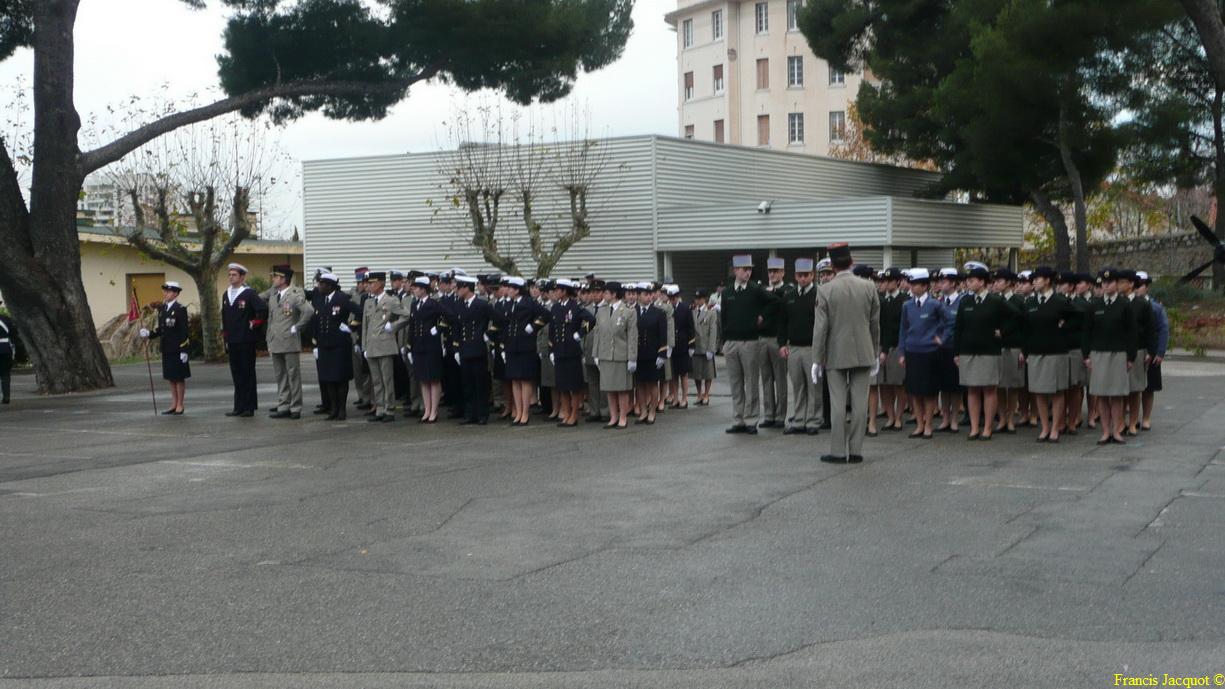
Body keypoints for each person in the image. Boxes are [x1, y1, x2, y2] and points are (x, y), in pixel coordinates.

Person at [811, 244, 880, 464]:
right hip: (863, 351)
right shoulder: (869, 287)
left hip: (836, 352)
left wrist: (817, 358)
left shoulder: (825, 290)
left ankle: (838, 451)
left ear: (831, 265)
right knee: (860, 404)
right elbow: (874, 324)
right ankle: (856, 450)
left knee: (838, 404)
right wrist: (875, 352)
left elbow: (821, 329)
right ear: (852, 262)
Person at [953, 263, 1017, 440]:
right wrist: (956, 352)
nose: (968, 283)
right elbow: (958, 328)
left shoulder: (996, 300)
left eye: (972, 280)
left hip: (989, 351)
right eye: (968, 280)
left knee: (989, 389)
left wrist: (1002, 332)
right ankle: (974, 427)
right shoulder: (965, 301)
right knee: (972, 390)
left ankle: (988, 427)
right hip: (968, 351)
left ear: (981, 282)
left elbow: (1016, 317)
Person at [1020, 266, 1078, 443]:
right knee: (1039, 391)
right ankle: (1044, 427)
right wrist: (1025, 351)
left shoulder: (1060, 301)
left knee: (1056, 390)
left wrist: (1063, 326)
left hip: (1055, 352)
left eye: (1037, 279)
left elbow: (1077, 317)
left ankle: (1055, 428)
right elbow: (1025, 329)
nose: (1034, 282)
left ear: (1047, 280)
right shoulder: (1030, 303)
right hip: (1036, 351)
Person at [721, 254, 778, 434]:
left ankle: (751, 419)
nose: (748, 272)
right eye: (745, 269)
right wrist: (724, 341)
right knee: (735, 383)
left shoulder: (755, 289)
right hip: (732, 341)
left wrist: (762, 316)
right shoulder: (728, 292)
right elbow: (724, 318)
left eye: (750, 269)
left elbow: (774, 302)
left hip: (750, 341)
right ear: (736, 270)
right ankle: (738, 418)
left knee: (751, 382)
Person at [1082, 268, 1137, 445]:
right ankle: (1105, 431)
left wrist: (1131, 356)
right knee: (1102, 394)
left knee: (1117, 394)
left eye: (1110, 282)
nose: (1106, 285)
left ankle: (1117, 429)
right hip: (1098, 353)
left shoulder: (1124, 305)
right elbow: (1087, 332)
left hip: (1118, 353)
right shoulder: (1094, 305)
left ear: (1116, 284)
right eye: (1103, 283)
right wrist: (1086, 355)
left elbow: (1131, 332)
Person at [898, 269, 950, 439]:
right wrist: (902, 352)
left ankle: (928, 424)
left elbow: (949, 321)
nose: (912, 287)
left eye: (915, 284)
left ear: (925, 286)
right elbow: (903, 330)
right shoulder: (907, 305)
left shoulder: (935, 304)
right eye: (911, 284)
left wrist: (942, 338)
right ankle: (919, 424)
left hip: (930, 352)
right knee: (914, 390)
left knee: (928, 391)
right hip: (912, 351)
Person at [262, 265, 314, 420]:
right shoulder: (273, 294)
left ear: (283, 279)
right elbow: (269, 314)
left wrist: (297, 327)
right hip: (275, 340)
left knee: (293, 375)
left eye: (275, 277)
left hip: (289, 340)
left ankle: (295, 407)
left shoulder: (294, 294)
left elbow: (308, 310)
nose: (273, 279)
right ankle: (284, 404)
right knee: (280, 375)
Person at [779, 258, 822, 436]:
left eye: (806, 275)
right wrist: (782, 343)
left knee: (814, 386)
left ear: (812, 275)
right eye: (800, 275)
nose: (803, 278)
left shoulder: (819, 295)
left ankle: (813, 420)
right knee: (797, 385)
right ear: (795, 276)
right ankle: (798, 419)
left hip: (812, 347)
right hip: (794, 347)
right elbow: (782, 322)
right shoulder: (789, 297)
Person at [309, 272, 360, 420]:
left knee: (340, 378)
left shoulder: (341, 298)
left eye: (321, 284)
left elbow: (359, 311)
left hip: (339, 344)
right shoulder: (321, 300)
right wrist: (316, 343)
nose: (319, 286)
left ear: (329, 285)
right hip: (324, 344)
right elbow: (317, 322)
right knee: (328, 378)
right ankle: (333, 409)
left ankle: (342, 410)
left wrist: (351, 327)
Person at [359, 271, 408, 422]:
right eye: (369, 283)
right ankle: (379, 408)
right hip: (372, 346)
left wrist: (392, 326)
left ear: (380, 284)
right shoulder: (369, 302)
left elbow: (406, 315)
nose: (369, 286)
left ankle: (390, 409)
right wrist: (364, 346)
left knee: (387, 379)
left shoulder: (391, 300)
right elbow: (365, 327)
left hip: (385, 345)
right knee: (376, 380)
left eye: (372, 283)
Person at [502, 277, 551, 426]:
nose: (508, 291)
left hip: (525, 346)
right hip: (512, 346)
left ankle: (525, 413)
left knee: (524, 379)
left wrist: (534, 326)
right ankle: (517, 412)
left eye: (511, 288)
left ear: (517, 289)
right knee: (515, 380)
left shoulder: (528, 302)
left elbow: (546, 315)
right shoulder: (509, 304)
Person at [220, 262, 267, 417]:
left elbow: (262, 310)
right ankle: (238, 406)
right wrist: (226, 337)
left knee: (247, 373)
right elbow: (225, 318)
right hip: (233, 339)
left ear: (242, 276)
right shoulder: (226, 294)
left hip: (246, 339)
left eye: (234, 275)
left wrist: (255, 323)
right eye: (230, 274)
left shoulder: (249, 293)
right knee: (237, 374)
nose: (231, 277)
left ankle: (249, 406)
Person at [138, 281, 191, 415]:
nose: (165, 294)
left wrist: (184, 350)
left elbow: (184, 331)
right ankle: (173, 403)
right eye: (165, 291)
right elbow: (162, 329)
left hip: (177, 348)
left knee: (179, 377)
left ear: (175, 293)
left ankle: (180, 404)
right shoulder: (163, 309)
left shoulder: (180, 309)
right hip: (167, 348)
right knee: (170, 377)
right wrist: (149, 333)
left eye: (168, 291)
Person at [549, 279, 596, 426]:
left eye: (558, 290)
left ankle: (574, 415)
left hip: (572, 351)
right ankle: (566, 413)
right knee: (562, 386)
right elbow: (552, 330)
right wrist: (551, 349)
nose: (555, 293)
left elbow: (591, 320)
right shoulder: (555, 308)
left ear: (564, 291)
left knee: (574, 386)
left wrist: (581, 333)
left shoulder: (575, 307)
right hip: (559, 351)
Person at [403, 275, 450, 423]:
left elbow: (450, 316)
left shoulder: (433, 304)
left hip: (431, 346)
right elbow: (412, 326)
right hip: (418, 346)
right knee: (423, 379)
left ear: (423, 289)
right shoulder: (414, 304)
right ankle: (427, 409)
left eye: (416, 288)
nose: (414, 290)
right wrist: (409, 346)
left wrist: (438, 328)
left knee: (433, 379)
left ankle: (434, 411)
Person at [452, 275, 496, 425]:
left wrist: (488, 334)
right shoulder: (459, 305)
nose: (456, 290)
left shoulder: (481, 304)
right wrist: (456, 348)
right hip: (464, 349)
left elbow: (498, 320)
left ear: (466, 288)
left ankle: (483, 414)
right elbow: (456, 327)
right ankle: (470, 413)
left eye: (458, 288)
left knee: (480, 383)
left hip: (477, 348)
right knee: (467, 383)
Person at [593, 281, 638, 429]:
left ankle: (623, 417)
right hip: (605, 354)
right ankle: (613, 417)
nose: (604, 295)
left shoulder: (628, 311)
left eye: (606, 292)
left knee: (622, 389)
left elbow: (632, 336)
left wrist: (632, 358)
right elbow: (597, 333)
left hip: (620, 355)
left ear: (614, 294)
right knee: (609, 388)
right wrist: (596, 353)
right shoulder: (602, 311)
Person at [1120, 270, 1157, 436]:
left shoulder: (1142, 304)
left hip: (1138, 349)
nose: (1118, 284)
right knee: (1119, 389)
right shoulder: (1116, 303)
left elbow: (1150, 329)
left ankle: (1133, 422)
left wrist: (1151, 350)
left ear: (1131, 284)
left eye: (1122, 282)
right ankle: (1120, 421)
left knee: (1135, 388)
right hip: (1118, 350)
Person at [758, 257, 792, 428]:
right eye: (770, 271)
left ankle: (780, 415)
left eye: (776, 271)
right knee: (766, 379)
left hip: (778, 339)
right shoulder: (764, 290)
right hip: (763, 338)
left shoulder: (787, 290)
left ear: (783, 272)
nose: (772, 274)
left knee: (780, 379)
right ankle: (769, 414)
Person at [874, 268, 909, 432]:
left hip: (897, 346)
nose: (885, 284)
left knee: (898, 384)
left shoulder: (904, 300)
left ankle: (899, 416)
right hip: (882, 346)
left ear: (897, 281)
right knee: (884, 384)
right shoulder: (880, 300)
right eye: (883, 281)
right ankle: (890, 415)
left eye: (889, 281)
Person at [632, 283, 668, 424]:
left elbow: (663, 335)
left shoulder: (658, 312)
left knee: (653, 384)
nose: (649, 297)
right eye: (645, 294)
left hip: (653, 354)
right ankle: (643, 411)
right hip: (639, 354)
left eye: (650, 294)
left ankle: (652, 411)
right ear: (639, 296)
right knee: (640, 384)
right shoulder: (633, 311)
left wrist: (662, 354)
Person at [1136, 272, 1167, 431]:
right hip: (1134, 351)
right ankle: (1132, 418)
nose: (1137, 288)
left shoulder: (1155, 307)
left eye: (1140, 285)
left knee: (1149, 388)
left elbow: (1163, 330)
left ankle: (1146, 417)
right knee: (1132, 388)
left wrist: (1160, 352)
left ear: (1146, 288)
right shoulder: (1129, 304)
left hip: (1151, 351)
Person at [582, 281, 609, 422]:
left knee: (604, 382)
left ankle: (605, 411)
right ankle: (594, 410)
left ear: (603, 293)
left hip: (603, 350)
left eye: (598, 292)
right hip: (589, 349)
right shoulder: (587, 309)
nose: (595, 294)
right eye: (593, 292)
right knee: (592, 383)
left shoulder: (608, 308)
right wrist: (583, 351)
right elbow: (583, 332)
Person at [691, 288, 719, 406]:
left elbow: (713, 331)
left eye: (700, 298)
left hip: (706, 346)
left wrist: (711, 349)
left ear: (705, 299)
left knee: (708, 373)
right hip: (696, 346)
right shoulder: (692, 311)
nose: (698, 301)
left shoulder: (711, 312)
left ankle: (706, 394)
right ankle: (699, 394)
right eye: (696, 299)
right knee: (696, 373)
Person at [668, 285, 694, 409]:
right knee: (673, 374)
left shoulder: (685, 309)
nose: (672, 300)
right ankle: (675, 398)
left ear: (678, 297)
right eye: (670, 298)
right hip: (672, 345)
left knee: (683, 373)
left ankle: (684, 398)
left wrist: (691, 345)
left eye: (674, 297)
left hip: (683, 344)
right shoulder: (667, 309)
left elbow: (691, 328)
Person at [0, 302, 17, 405]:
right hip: (6, 348)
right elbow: (13, 335)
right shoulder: (6, 320)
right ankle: (6, 396)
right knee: (5, 374)